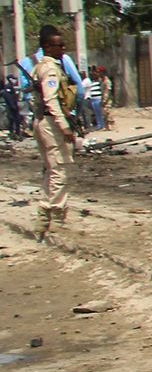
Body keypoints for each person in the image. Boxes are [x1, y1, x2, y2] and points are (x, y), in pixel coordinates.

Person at [30, 24, 78, 240]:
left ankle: (44, 218)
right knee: (59, 170)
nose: (63, 49)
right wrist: (65, 127)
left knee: (50, 170)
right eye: (59, 46)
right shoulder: (50, 69)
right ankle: (54, 216)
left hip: (42, 122)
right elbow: (51, 100)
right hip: (51, 124)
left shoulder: (40, 66)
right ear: (48, 47)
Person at [2, 69, 22, 140]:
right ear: (10, 79)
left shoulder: (11, 86)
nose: (15, 81)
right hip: (11, 107)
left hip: (14, 107)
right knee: (12, 120)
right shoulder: (8, 87)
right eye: (14, 79)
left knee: (17, 121)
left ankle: (17, 134)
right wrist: (13, 106)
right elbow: (8, 97)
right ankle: (13, 134)